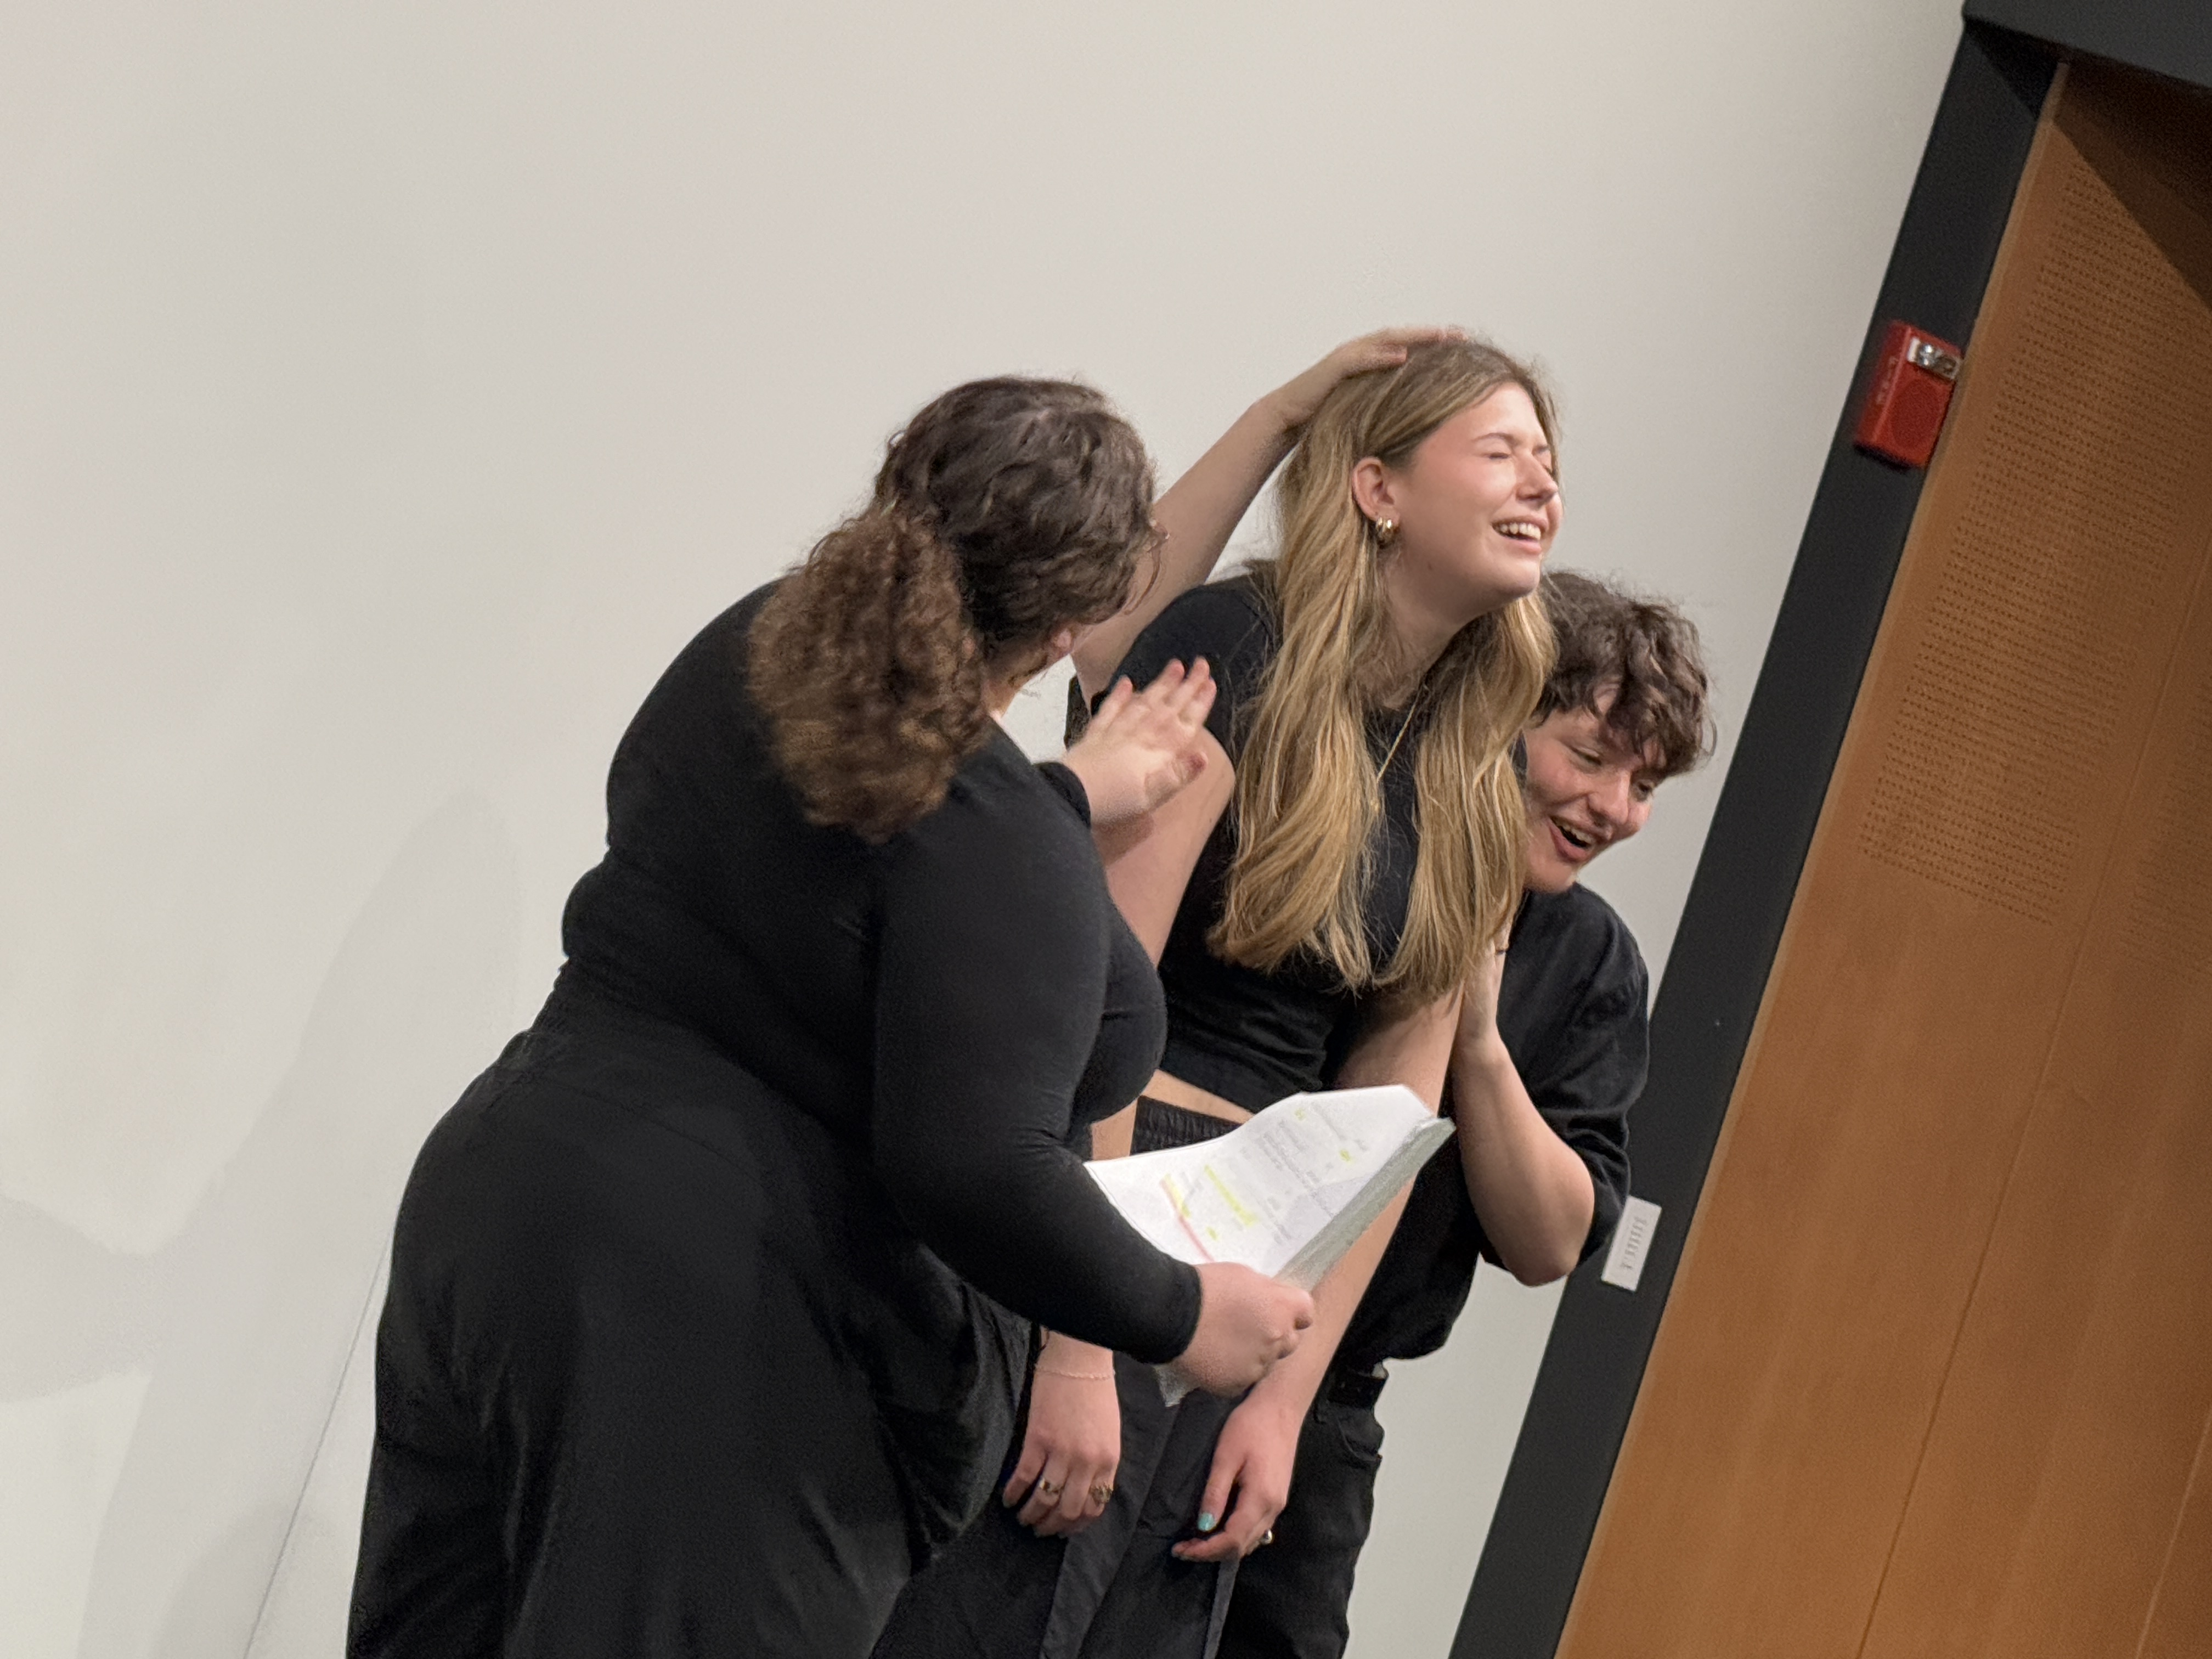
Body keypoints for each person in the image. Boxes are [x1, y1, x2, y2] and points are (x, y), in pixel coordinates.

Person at [345, 376, 1316, 1659]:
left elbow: (864, 855)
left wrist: (1065, 794)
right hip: (712, 1322)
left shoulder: (751, 648)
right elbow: (974, 1166)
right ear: (1085, 613)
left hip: (502, 1206)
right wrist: (1185, 1314)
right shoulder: (994, 837)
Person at [873, 334, 1560, 1659]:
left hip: (1267, 1251)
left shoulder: (1478, 764)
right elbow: (1086, 1004)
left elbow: (1391, 1119)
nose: (1540, 477)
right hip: (1115, 1199)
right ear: (1378, 490)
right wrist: (1082, 1345)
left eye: (1548, 457)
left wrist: (1285, 1401)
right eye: (1500, 448)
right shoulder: (1234, 645)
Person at [1216, 569, 1716, 1659]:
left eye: (1645, 786)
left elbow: (1550, 1242)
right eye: (1588, 759)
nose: (1613, 810)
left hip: (1333, 1403)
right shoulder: (1356, 839)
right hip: (1186, 1313)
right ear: (1501, 718)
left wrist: (1479, 1041)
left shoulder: (1593, 967)